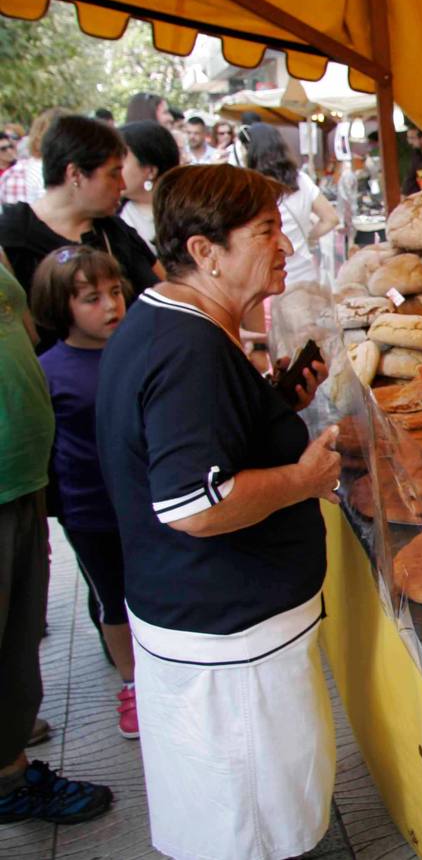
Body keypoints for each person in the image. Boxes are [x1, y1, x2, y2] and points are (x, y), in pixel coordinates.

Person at [96, 163, 337, 860]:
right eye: (265, 233)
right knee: (249, 821)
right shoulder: (188, 351)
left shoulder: (166, 321)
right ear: (206, 252)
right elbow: (194, 504)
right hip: (227, 639)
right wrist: (301, 477)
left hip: (208, 625)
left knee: (235, 807)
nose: (284, 247)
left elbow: (197, 445)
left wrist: (272, 405)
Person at [0, 250, 115, 824]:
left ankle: (9, 761)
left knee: (18, 634)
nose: (110, 305)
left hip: (20, 481)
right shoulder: (62, 363)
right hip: (61, 497)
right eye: (92, 297)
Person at [28, 246, 137, 738]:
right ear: (60, 306)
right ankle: (132, 685)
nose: (111, 305)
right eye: (92, 298)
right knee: (112, 598)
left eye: (115, 292)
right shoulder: (48, 370)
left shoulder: (136, 348)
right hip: (91, 511)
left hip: (145, 500)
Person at [0, 115, 160, 343]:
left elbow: (164, 287)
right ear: (75, 174)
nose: (122, 185)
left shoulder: (113, 229)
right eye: (113, 173)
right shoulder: (12, 239)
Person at [243, 123, 339, 287]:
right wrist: (307, 237)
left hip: (268, 278)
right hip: (304, 274)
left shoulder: (251, 187)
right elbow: (331, 218)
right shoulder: (301, 179)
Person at [118, 121, 182, 249]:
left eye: (121, 158)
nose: (113, 167)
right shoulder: (113, 217)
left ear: (151, 171)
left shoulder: (191, 213)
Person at [0, 108, 66, 206]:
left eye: (11, 146)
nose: (9, 151)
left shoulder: (16, 173)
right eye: (3, 149)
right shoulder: (16, 176)